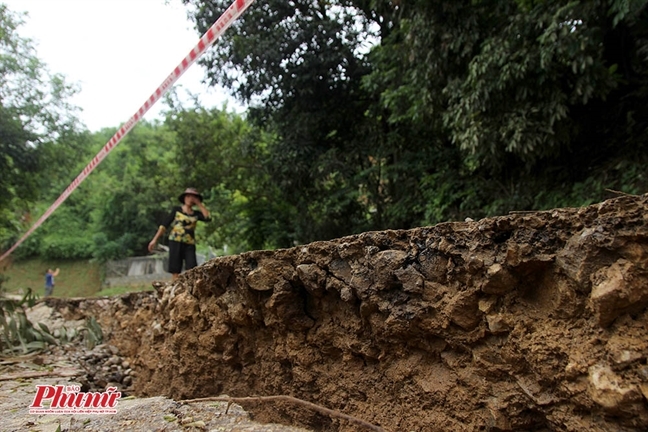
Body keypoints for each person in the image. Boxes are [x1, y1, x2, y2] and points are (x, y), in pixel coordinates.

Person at [148, 188, 211, 281]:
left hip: (189, 243)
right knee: (175, 268)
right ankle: (174, 288)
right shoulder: (177, 210)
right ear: (184, 198)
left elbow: (208, 217)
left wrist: (199, 203)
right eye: (188, 196)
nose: (190, 199)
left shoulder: (196, 214)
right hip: (175, 241)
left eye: (193, 197)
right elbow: (164, 225)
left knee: (192, 267)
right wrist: (154, 239)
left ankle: (191, 289)